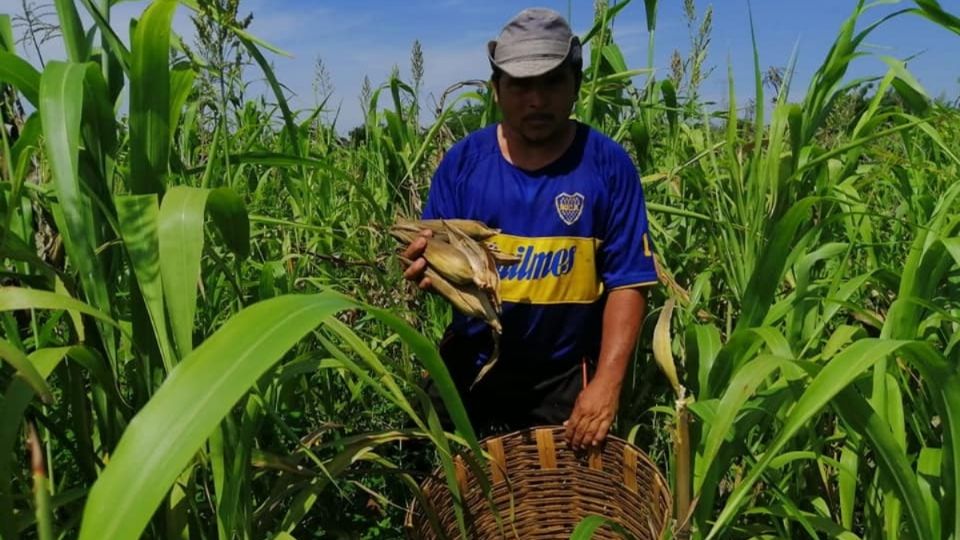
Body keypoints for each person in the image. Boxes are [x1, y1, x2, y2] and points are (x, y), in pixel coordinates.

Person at [402, 7, 659, 450]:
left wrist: (606, 385)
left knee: (568, 501)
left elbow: (629, 281)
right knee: (424, 465)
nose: (536, 101)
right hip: (473, 359)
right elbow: (438, 258)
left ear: (575, 83)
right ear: (497, 89)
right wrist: (428, 272)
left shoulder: (607, 166)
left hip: (562, 373)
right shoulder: (464, 164)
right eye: (521, 85)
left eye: (552, 82)